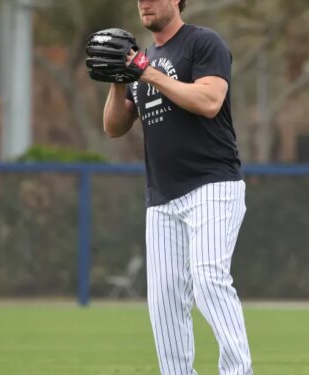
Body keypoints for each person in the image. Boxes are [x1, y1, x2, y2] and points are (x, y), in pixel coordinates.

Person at [92, 0, 253, 374]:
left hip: (213, 184)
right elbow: (113, 127)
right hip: (161, 196)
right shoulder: (141, 60)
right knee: (164, 301)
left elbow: (210, 101)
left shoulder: (203, 43)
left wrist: (148, 73)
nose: (144, 2)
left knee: (208, 277)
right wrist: (120, 79)